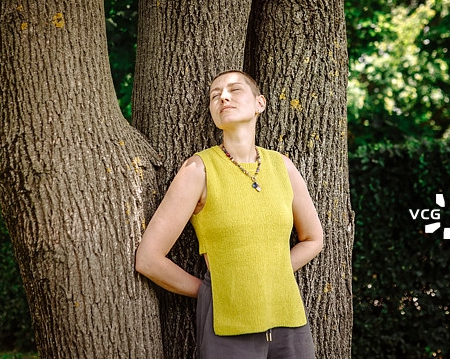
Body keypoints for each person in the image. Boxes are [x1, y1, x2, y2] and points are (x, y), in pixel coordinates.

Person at [135, 70, 323, 358]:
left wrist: (269, 273)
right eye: (215, 95)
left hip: (290, 322)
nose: (223, 97)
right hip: (229, 324)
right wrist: (212, 290)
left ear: (260, 103)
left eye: (235, 90)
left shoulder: (283, 167)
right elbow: (148, 259)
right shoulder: (198, 170)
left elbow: (313, 239)